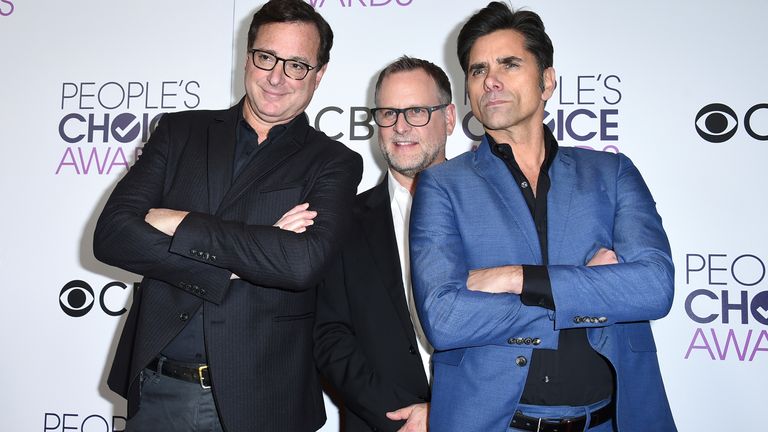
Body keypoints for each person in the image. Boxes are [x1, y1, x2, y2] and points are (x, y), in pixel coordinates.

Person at [92, 1, 362, 431]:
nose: (276, 77)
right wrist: (247, 256)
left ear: (319, 74)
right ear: (247, 55)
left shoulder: (333, 162)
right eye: (266, 57)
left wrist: (179, 222)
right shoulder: (180, 132)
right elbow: (112, 236)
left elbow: (300, 263)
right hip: (160, 388)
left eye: (296, 65)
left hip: (266, 399)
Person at [408, 2, 677, 431]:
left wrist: (518, 278)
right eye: (477, 71)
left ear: (547, 81)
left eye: (509, 64)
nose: (490, 80)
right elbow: (445, 320)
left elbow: (654, 287)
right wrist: (587, 291)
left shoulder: (612, 172)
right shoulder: (442, 186)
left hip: (612, 422)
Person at [314, 56, 456, 432]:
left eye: (417, 112)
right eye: (389, 113)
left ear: (450, 118)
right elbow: (329, 335)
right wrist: (399, 414)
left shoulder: (493, 212)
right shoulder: (342, 221)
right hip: (383, 423)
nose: (401, 126)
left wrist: (448, 408)